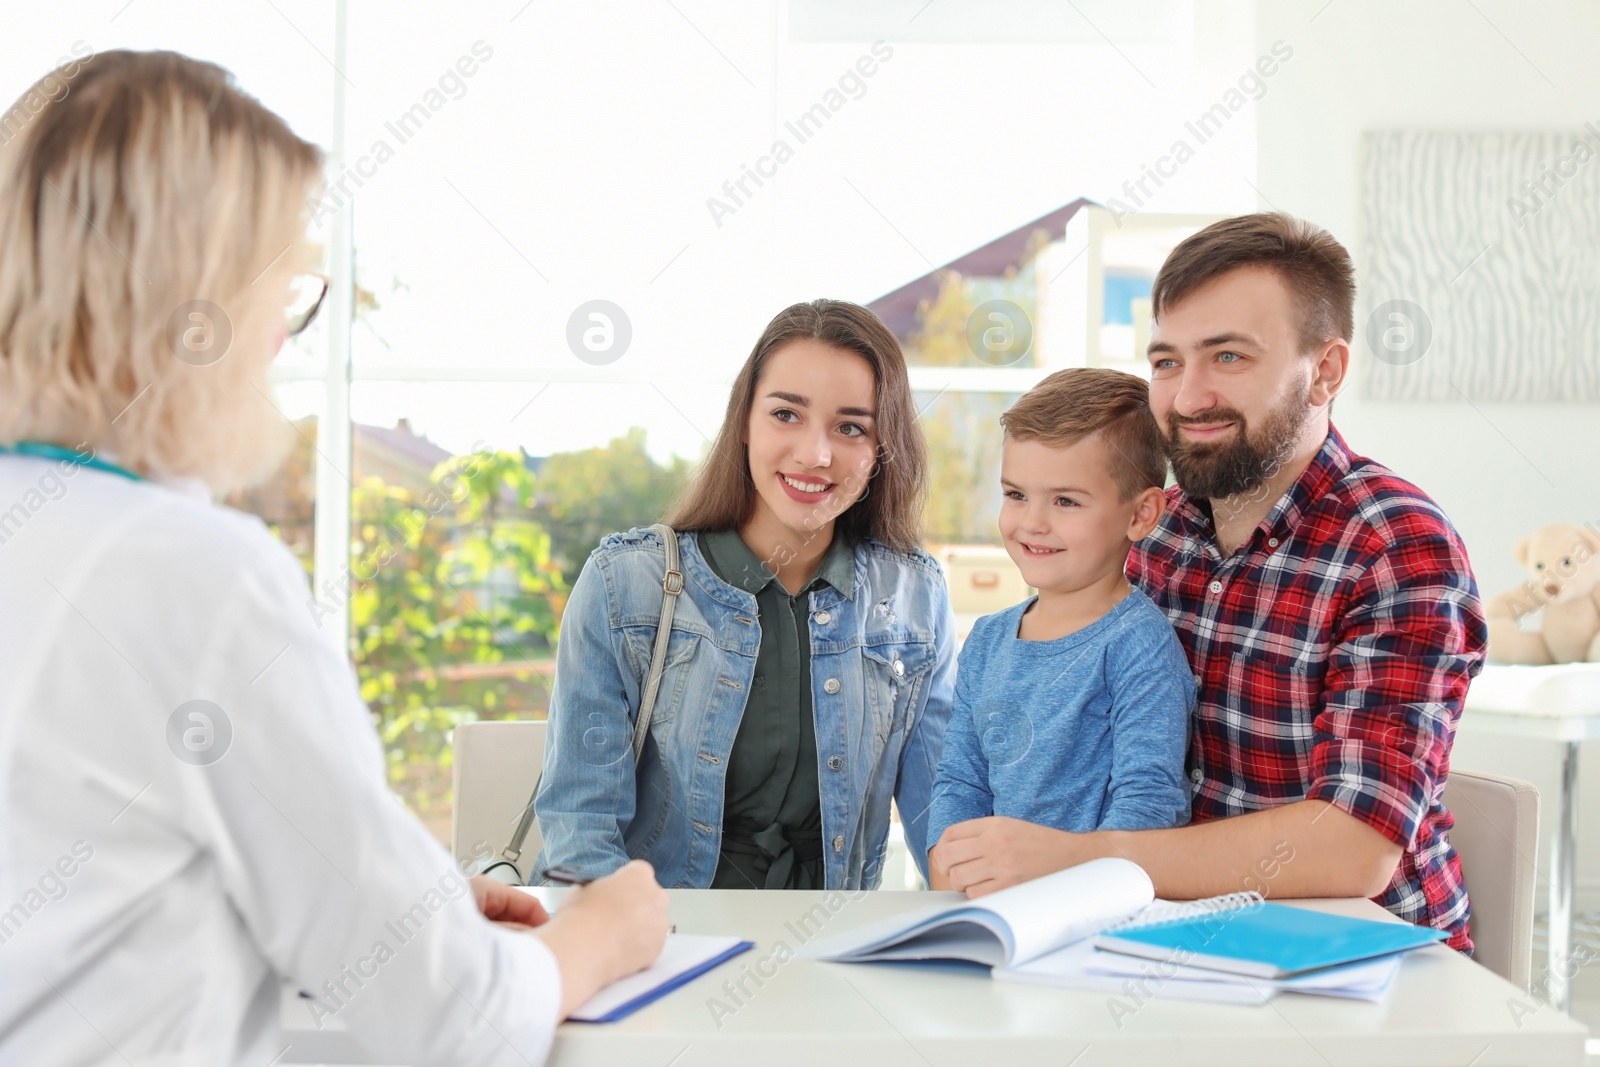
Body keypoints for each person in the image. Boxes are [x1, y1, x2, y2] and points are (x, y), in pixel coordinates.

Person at [0, 51, 666, 1067]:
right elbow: (459, 1021)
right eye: (286, 288)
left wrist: (397, 905)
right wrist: (600, 933)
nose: (281, 336)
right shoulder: (193, 574)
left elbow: (86, 908)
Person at [928, 212, 1487, 953]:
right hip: (1171, 935)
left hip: (1359, 956)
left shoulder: (1396, 544)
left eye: (1228, 357)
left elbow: (1355, 847)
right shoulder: (1151, 530)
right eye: (1166, 362)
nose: (1188, 398)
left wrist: (1077, 861)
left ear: (1325, 370)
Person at [535, 300, 956, 891]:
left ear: (883, 449)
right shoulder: (624, 584)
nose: (815, 454)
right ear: (744, 421)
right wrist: (631, 951)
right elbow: (580, 832)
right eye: (787, 414)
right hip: (658, 937)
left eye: (851, 427)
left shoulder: (914, 595)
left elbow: (941, 815)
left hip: (834, 943)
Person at [926, 369, 1191, 891]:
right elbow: (960, 778)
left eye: (1065, 501)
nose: (1031, 523)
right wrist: (950, 864)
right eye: (1016, 494)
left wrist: (1069, 891)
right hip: (988, 904)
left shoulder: (1141, 646)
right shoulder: (986, 639)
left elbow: (1149, 804)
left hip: (1095, 913)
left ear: (1141, 515)